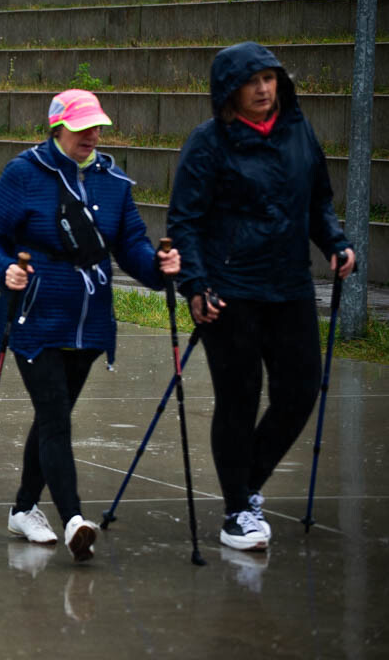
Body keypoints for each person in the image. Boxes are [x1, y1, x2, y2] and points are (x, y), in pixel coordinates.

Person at [0, 89, 180, 562]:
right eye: (81, 127)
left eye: (96, 126)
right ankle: (73, 521)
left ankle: (23, 509)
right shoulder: (24, 173)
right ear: (57, 128)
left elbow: (132, 245)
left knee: (54, 416)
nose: (92, 135)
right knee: (55, 417)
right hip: (33, 318)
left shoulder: (113, 181)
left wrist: (160, 268)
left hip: (88, 323)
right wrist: (4, 270)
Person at [167, 41, 355, 552]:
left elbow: (318, 200)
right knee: (240, 397)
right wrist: (195, 285)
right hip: (230, 292)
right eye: (252, 81)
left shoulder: (298, 131)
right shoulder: (208, 142)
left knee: (300, 390)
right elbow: (185, 220)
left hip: (289, 285)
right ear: (229, 90)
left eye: (269, 78)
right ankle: (237, 512)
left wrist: (335, 242)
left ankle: (245, 482)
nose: (263, 89)